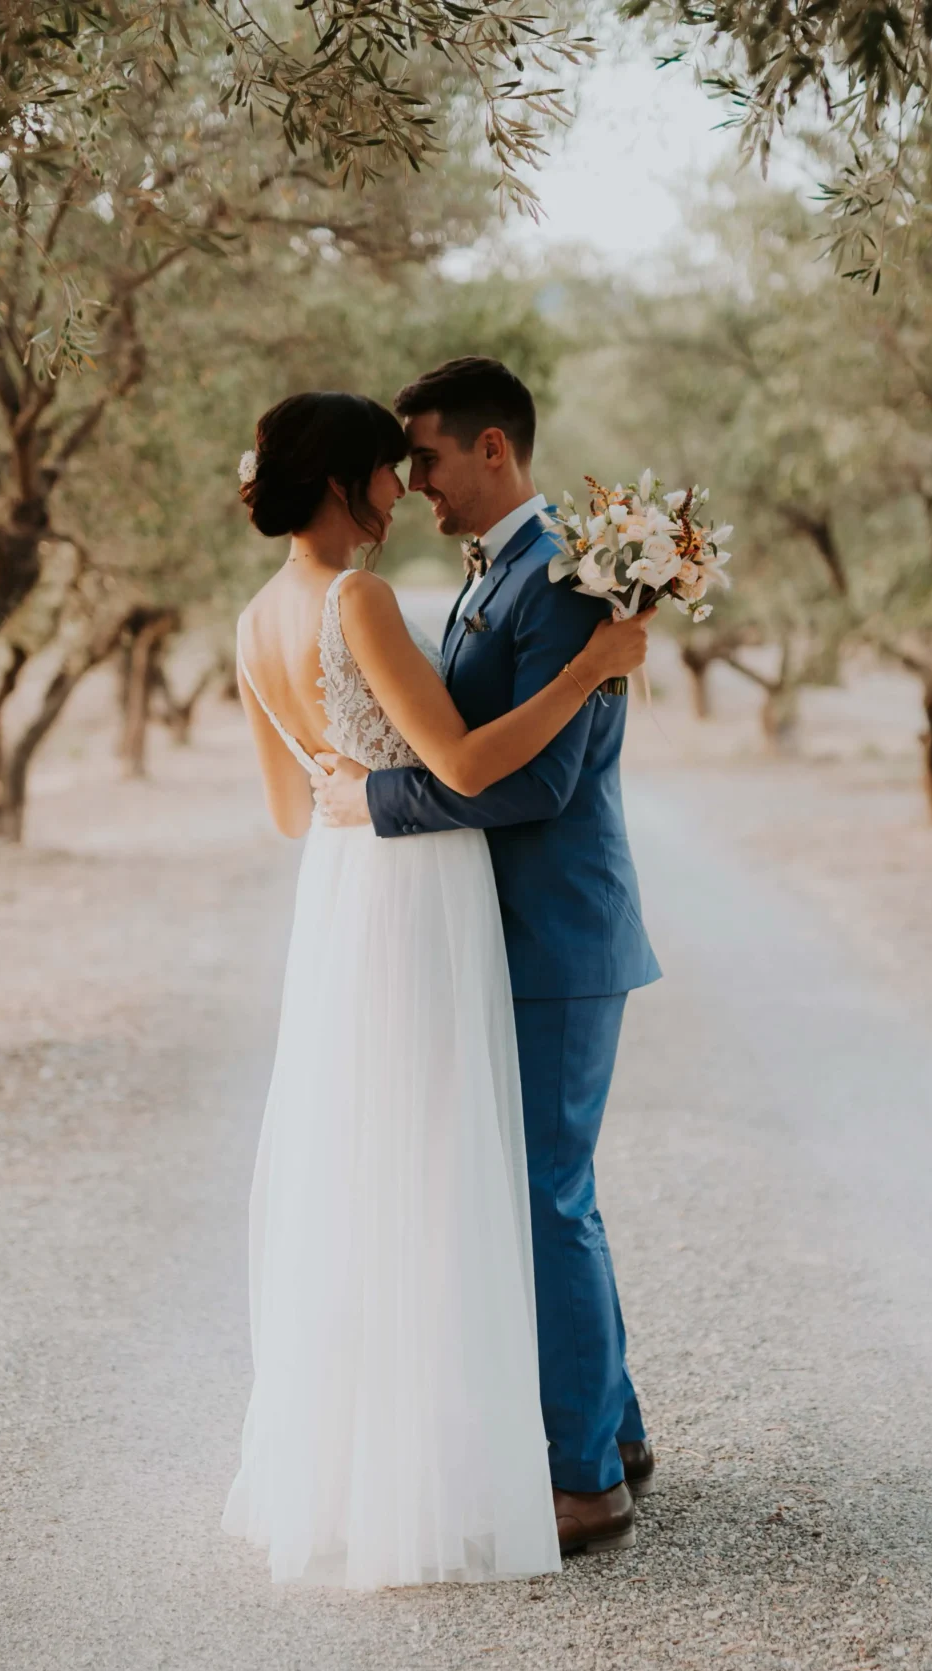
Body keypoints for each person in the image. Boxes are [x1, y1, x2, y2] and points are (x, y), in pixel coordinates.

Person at [225, 389, 653, 1587]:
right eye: (388, 465)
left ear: (494, 445)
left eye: (418, 460)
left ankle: (591, 1447)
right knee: (504, 1185)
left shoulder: (257, 617)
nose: (404, 485)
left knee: (497, 1182)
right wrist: (592, 672)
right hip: (417, 902)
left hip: (355, 907)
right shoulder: (364, 595)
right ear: (339, 482)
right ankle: (590, 1452)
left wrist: (355, 791)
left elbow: (286, 804)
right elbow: (462, 761)